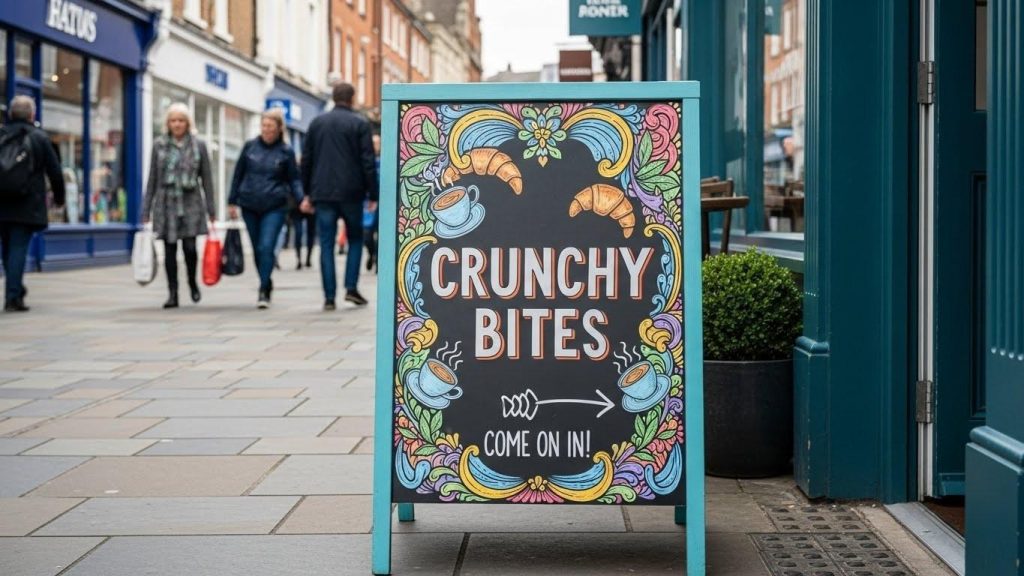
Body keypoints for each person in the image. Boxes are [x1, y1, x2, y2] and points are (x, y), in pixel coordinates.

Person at [301, 82, 378, 310]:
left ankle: (329, 296)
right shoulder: (360, 124)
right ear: (352, 99)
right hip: (352, 193)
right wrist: (373, 193)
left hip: (322, 192)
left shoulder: (317, 123)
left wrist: (307, 193)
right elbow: (368, 162)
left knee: (326, 243)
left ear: (334, 98)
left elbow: (307, 160)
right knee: (355, 240)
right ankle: (351, 288)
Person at [228, 108, 305, 308]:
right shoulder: (250, 147)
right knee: (256, 248)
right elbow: (238, 175)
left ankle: (263, 290)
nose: (266, 130)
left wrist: (301, 199)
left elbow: (294, 179)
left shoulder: (286, 151)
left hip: (275, 205)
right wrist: (232, 201)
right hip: (249, 204)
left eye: (270, 126)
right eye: (264, 126)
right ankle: (266, 280)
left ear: (279, 128)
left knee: (266, 246)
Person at [142, 102, 216, 309]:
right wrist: (145, 209)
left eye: (181, 120)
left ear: (187, 123)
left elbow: (207, 179)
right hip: (166, 204)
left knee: (190, 248)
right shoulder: (159, 145)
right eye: (173, 120)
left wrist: (212, 210)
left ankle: (192, 282)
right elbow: (152, 179)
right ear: (168, 123)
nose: (177, 124)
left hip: (191, 202)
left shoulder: (198, 145)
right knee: (170, 249)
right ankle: (172, 292)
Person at [0, 96, 65, 312]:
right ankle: (13, 296)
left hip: (2, 202)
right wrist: (59, 198)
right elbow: (55, 171)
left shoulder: (2, 135)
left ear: (10, 114)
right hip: (27, 202)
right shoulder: (39, 137)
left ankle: (15, 289)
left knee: (8, 248)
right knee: (18, 248)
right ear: (32, 115)